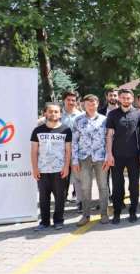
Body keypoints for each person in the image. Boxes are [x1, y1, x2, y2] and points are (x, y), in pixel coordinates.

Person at [30, 103, 72, 231]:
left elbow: (68, 151)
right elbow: (33, 151)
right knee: (43, 197)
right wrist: (35, 168)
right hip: (42, 170)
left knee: (60, 197)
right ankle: (44, 222)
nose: (53, 114)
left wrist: (66, 167)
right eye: (50, 111)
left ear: (60, 114)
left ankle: (58, 220)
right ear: (45, 113)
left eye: (56, 112)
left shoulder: (66, 130)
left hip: (59, 170)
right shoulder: (37, 130)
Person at [104, 89, 140, 224]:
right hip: (117, 156)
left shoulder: (138, 114)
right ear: (119, 99)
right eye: (123, 98)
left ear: (132, 99)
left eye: (128, 98)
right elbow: (109, 135)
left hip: (134, 156)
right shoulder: (113, 114)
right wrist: (109, 154)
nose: (126, 100)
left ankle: (133, 211)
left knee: (134, 185)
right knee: (117, 185)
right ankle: (117, 212)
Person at [71, 94, 110, 225]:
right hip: (84, 158)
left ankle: (104, 214)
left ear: (97, 104)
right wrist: (75, 160)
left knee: (103, 186)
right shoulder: (78, 120)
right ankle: (85, 215)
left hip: (100, 158)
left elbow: (108, 140)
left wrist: (107, 157)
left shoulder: (105, 120)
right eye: (88, 103)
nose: (91, 105)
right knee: (85, 187)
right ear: (83, 105)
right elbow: (74, 141)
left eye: (93, 102)